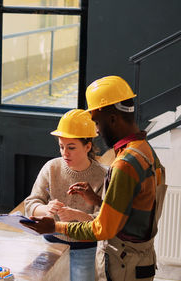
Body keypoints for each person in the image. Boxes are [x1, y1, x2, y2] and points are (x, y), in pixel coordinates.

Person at [22, 76, 167, 281]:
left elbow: (103, 228)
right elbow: (130, 209)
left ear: (113, 119)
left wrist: (54, 226)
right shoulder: (144, 151)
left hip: (126, 263)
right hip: (138, 259)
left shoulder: (125, 163)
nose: (97, 130)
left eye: (97, 122)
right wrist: (99, 201)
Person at [24, 109, 107, 281]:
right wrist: (45, 209)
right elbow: (31, 203)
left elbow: (104, 220)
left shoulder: (102, 175)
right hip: (51, 243)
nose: (64, 153)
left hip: (86, 248)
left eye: (71, 147)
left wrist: (77, 215)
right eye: (61, 146)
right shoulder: (51, 167)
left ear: (88, 146)